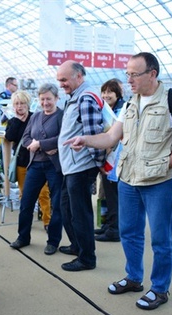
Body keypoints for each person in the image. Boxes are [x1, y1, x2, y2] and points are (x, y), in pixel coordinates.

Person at [64, 52, 172, 306]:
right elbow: (111, 137)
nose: (129, 80)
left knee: (160, 238)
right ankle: (134, 278)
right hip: (128, 180)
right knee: (130, 233)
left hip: (157, 183)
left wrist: (161, 167)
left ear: (152, 74)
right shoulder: (130, 104)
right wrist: (86, 140)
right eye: (127, 74)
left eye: (134, 74)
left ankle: (160, 288)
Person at [56, 60, 105, 272]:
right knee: (67, 208)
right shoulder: (75, 97)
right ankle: (77, 245)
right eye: (59, 80)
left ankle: (87, 258)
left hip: (80, 167)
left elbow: (94, 135)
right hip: (71, 166)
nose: (61, 84)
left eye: (64, 79)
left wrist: (98, 165)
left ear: (79, 76)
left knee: (81, 213)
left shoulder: (85, 99)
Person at [8, 84, 63, 255]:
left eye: (49, 99)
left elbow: (63, 137)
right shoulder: (36, 117)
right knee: (26, 202)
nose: (45, 102)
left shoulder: (62, 116)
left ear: (56, 98)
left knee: (56, 204)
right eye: (43, 99)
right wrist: (42, 146)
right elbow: (25, 138)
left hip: (54, 166)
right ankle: (23, 236)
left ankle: (53, 241)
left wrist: (40, 143)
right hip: (35, 164)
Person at [94, 78, 125, 242]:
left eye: (110, 92)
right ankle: (106, 224)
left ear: (117, 94)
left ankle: (114, 228)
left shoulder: (122, 110)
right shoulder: (104, 109)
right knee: (104, 193)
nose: (106, 95)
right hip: (106, 155)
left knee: (114, 194)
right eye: (104, 92)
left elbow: (115, 135)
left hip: (115, 157)